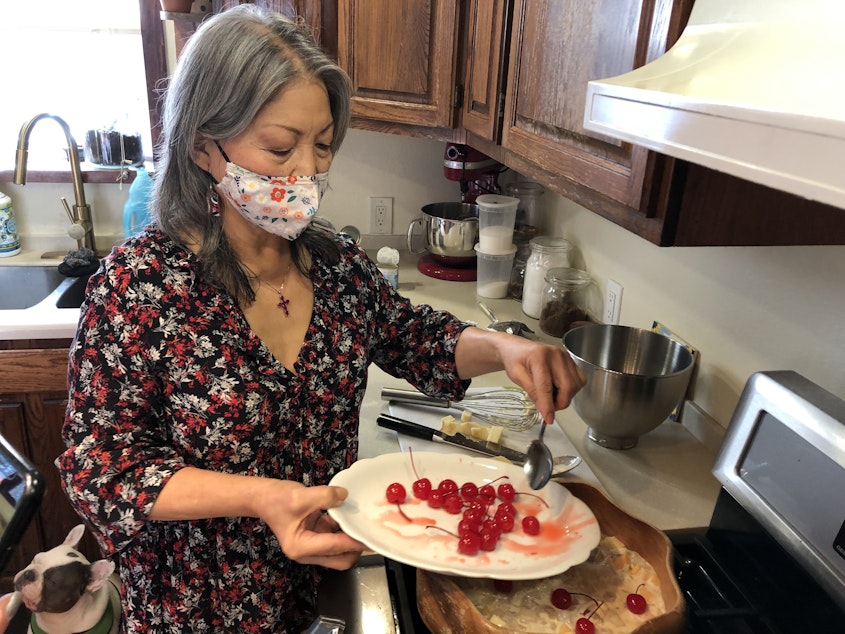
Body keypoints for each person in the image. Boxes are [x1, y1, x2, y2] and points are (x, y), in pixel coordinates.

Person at [56, 5, 585, 633]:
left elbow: (416, 337)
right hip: (197, 609)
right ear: (203, 146)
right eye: (280, 147)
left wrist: (501, 348)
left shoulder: (336, 266)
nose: (306, 171)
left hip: (318, 588)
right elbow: (101, 468)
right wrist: (260, 496)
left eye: (324, 145)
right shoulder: (138, 288)